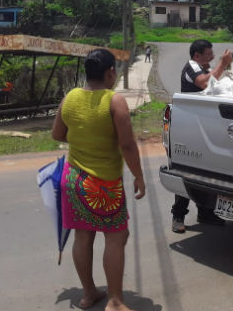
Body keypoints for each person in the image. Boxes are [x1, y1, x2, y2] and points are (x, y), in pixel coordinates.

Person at [52, 48, 146, 311]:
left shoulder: (69, 98)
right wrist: (139, 176)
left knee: (83, 237)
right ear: (110, 72)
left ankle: (88, 294)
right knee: (116, 237)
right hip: (103, 184)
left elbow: (58, 134)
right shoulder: (114, 101)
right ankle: (115, 300)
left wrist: (84, 135)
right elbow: (127, 145)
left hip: (74, 180)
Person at [172, 39, 233, 233]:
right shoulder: (192, 66)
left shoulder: (202, 68)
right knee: (187, 171)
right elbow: (205, 83)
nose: (213, 57)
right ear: (197, 56)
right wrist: (222, 65)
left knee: (207, 172)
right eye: (209, 55)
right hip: (189, 128)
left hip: (203, 128)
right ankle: (178, 216)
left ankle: (205, 213)